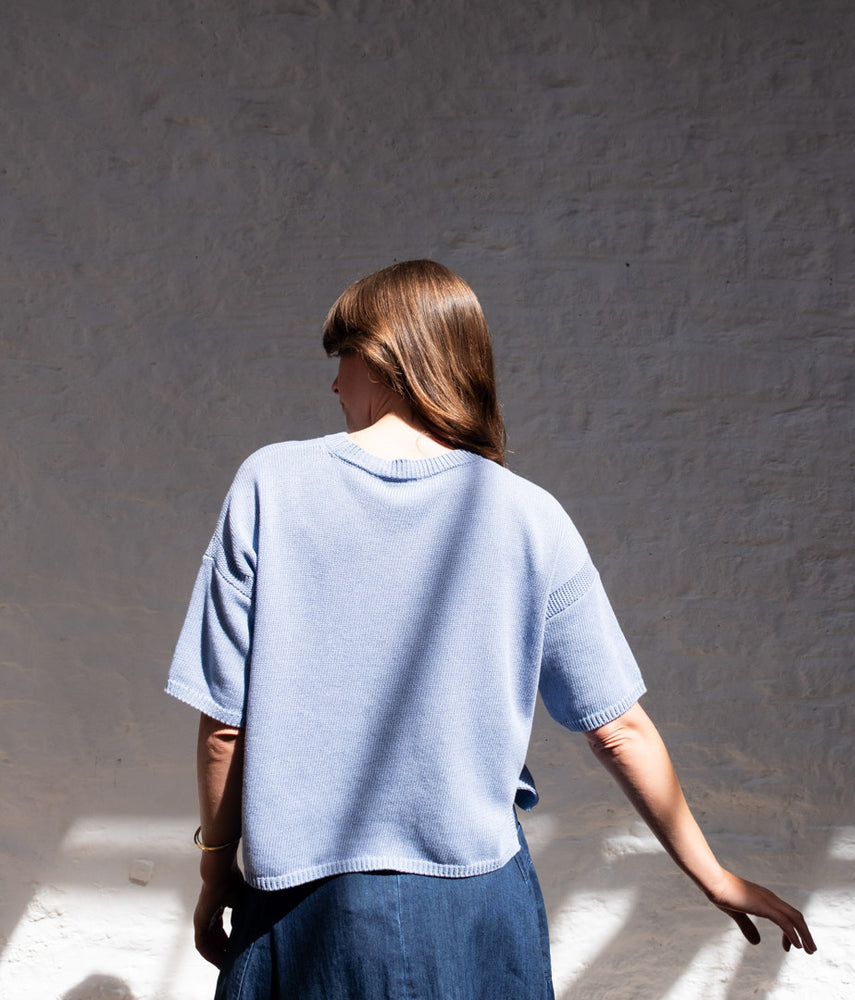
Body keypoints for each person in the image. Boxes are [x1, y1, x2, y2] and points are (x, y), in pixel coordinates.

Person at [167, 259, 815, 999]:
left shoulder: (270, 485)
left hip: (301, 907)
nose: (335, 384)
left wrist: (215, 871)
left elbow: (225, 728)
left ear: (382, 358)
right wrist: (713, 874)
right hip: (476, 913)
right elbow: (618, 729)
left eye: (341, 357)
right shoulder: (531, 516)